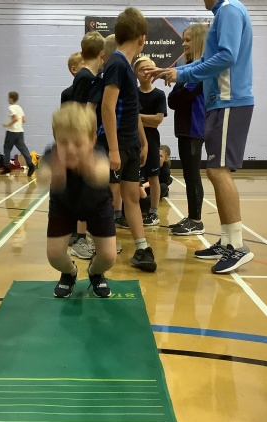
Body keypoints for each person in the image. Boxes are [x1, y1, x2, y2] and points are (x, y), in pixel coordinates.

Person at [148, 0, 255, 274]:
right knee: (214, 170)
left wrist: (184, 73)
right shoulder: (221, 13)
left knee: (218, 170)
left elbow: (227, 57)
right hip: (220, 102)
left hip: (229, 100)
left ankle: (237, 245)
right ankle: (227, 241)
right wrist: (177, 72)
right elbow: (208, 61)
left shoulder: (229, 9)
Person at [100, 7, 156, 272]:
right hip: (118, 146)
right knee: (104, 197)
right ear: (142, 38)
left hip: (131, 145)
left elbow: (132, 110)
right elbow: (107, 107)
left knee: (131, 196)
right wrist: (113, 149)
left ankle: (142, 248)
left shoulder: (126, 67)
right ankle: (99, 247)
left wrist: (142, 142)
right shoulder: (116, 63)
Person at [44, 102, 116, 299]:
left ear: (92, 140)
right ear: (55, 139)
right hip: (63, 206)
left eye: (77, 143)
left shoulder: (98, 154)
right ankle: (70, 272)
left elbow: (102, 174)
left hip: (97, 206)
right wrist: (51, 175)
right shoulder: (53, 155)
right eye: (63, 142)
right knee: (54, 256)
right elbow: (42, 176)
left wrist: (89, 168)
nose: (70, 149)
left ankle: (95, 272)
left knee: (108, 257)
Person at [168, 23, 208, 237]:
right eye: (183, 39)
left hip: (194, 126)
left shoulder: (199, 71)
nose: (183, 43)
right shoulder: (188, 68)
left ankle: (196, 220)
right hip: (184, 127)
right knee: (188, 173)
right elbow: (174, 98)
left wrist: (178, 92)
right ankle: (192, 216)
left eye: (188, 40)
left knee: (192, 174)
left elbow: (179, 98)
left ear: (199, 41)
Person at [69, 31, 105, 261]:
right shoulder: (84, 77)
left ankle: (86, 235)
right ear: (102, 54)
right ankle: (79, 240)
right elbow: (80, 111)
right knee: (82, 189)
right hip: (82, 139)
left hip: (89, 138)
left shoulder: (93, 77)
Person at [134, 56, 167, 227]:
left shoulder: (159, 95)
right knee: (131, 177)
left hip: (152, 140)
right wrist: (146, 119)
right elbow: (129, 119)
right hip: (133, 139)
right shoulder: (132, 93)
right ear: (136, 73)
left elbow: (158, 120)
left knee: (153, 177)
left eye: (149, 69)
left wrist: (138, 117)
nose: (146, 72)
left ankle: (153, 212)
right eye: (142, 69)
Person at [0, 91, 36, 177]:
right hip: (20, 132)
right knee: (23, 149)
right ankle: (31, 165)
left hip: (12, 131)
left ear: (11, 99)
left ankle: (6, 167)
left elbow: (15, 118)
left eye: (8, 98)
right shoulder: (19, 108)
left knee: (7, 148)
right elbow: (23, 120)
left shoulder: (11, 108)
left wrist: (7, 125)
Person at [139, 144, 172, 213]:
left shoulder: (165, 170)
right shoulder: (147, 164)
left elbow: (157, 182)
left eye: (160, 156)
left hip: (151, 187)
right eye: (157, 155)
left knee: (163, 186)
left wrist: (143, 186)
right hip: (141, 188)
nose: (158, 158)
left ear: (166, 158)